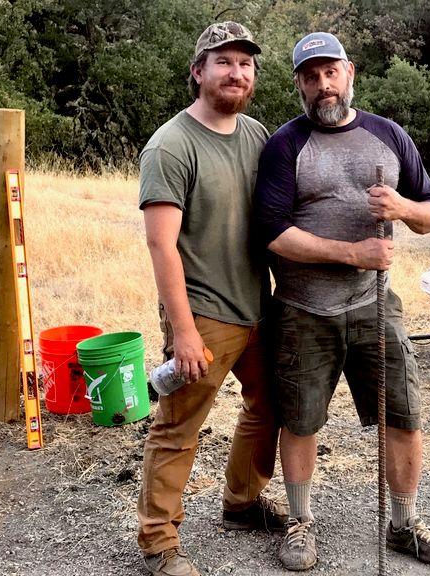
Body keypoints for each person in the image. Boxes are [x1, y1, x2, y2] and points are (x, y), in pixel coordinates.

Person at [253, 32, 430, 570]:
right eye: (310, 76)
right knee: (300, 422)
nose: (323, 85)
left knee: (404, 416)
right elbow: (273, 233)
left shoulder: (388, 135)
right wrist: (354, 253)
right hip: (303, 309)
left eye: (331, 73)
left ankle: (404, 526)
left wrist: (401, 207)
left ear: (350, 73)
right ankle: (300, 522)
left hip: (375, 307)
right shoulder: (285, 145)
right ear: (299, 84)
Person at [137, 21, 288, 576]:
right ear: (198, 72)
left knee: (269, 407)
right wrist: (182, 331)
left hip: (258, 307)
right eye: (223, 61)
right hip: (202, 313)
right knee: (179, 426)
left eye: (245, 63)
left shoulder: (256, 135)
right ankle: (158, 543)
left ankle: (242, 502)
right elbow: (161, 244)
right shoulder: (170, 145)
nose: (236, 72)